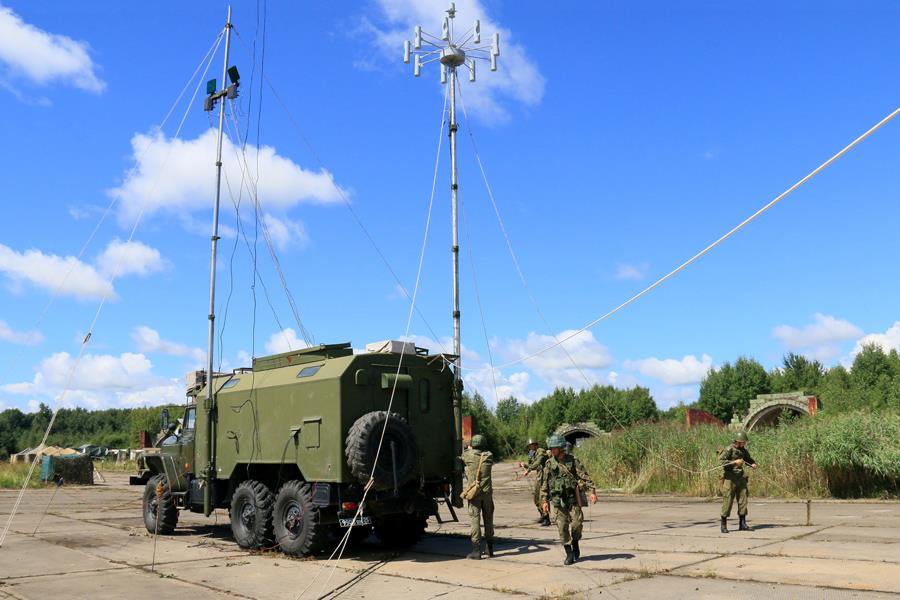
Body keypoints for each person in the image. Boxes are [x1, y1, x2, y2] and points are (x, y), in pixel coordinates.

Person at [541, 434, 598, 565]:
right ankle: (569, 552)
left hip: (573, 498)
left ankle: (575, 541)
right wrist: (544, 501)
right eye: (551, 448)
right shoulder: (549, 464)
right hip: (557, 500)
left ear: (561, 448)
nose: (552, 450)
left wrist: (592, 492)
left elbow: (584, 476)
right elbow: (545, 483)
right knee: (562, 527)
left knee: (577, 524)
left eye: (554, 448)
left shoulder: (572, 461)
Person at [460, 434, 494, 559]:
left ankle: (476, 550)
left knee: (475, 519)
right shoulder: (489, 456)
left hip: (474, 494)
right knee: (488, 519)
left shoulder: (468, 455)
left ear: (472, 445)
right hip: (487, 494)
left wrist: (468, 447)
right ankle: (490, 548)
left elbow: (463, 454)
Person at [718, 430, 758, 533]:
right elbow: (722, 462)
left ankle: (742, 524)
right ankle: (723, 525)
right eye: (743, 442)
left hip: (741, 478)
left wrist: (752, 463)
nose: (744, 444)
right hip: (730, 479)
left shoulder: (743, 450)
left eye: (744, 442)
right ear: (737, 441)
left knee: (743, 500)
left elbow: (748, 459)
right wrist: (734, 462)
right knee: (728, 501)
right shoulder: (729, 449)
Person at [519, 438, 551, 526]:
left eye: (531, 445)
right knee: (536, 498)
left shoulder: (541, 451)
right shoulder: (533, 453)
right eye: (529, 446)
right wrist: (524, 465)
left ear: (535, 444)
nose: (530, 447)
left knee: (543, 498)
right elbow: (532, 464)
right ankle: (542, 515)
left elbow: (538, 462)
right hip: (539, 478)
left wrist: (528, 469)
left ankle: (547, 518)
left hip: (545, 477)